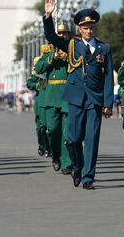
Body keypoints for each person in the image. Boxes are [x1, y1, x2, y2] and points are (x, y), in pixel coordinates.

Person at [43, 0, 114, 190]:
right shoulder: (72, 45)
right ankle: (77, 166)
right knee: (73, 139)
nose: (88, 31)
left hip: (95, 99)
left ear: (95, 28)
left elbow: (108, 77)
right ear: (79, 30)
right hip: (75, 98)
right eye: (85, 28)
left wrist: (108, 103)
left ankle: (88, 177)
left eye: (91, 27)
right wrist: (48, 16)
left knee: (92, 139)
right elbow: (50, 37)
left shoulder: (104, 48)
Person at [34, 22, 73, 174]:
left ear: (69, 35)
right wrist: (52, 57)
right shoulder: (47, 53)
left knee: (66, 132)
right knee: (52, 130)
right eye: (60, 34)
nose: (62, 36)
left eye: (65, 33)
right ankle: (55, 155)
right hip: (51, 97)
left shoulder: (73, 51)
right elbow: (38, 69)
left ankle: (66, 163)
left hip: (67, 95)